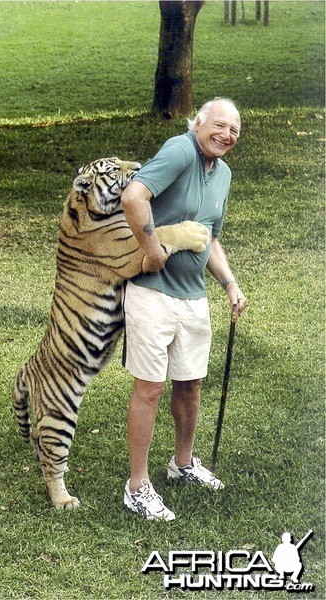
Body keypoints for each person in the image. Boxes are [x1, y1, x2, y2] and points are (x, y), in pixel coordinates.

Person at [121, 97, 247, 521]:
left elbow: (210, 238)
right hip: (152, 293)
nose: (226, 135)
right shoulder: (180, 150)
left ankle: (183, 464)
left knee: (189, 385)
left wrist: (229, 283)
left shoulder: (223, 174)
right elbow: (133, 196)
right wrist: (152, 249)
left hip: (193, 297)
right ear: (199, 123)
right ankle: (137, 485)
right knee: (150, 387)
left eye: (234, 131)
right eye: (220, 125)